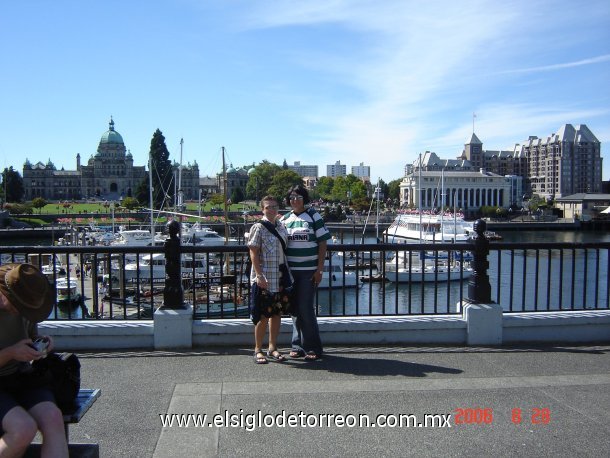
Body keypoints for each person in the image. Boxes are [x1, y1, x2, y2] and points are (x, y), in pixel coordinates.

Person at [0, 263, 68, 457]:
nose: (21, 310)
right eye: (18, 305)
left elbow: (28, 338)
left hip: (20, 376)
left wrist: (40, 344)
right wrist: (10, 353)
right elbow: (13, 349)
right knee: (23, 429)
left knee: (53, 418)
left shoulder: (26, 307)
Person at [280, 185, 331, 361]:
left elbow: (323, 243)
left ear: (304, 199)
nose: (295, 200)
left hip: (308, 271)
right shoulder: (285, 219)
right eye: (292, 197)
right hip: (290, 272)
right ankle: (297, 345)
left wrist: (320, 269)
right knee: (294, 309)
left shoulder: (313, 216)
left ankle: (313, 347)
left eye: (299, 197)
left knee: (305, 308)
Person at [247, 196, 291, 364]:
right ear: (262, 210)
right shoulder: (258, 227)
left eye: (274, 206)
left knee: (277, 314)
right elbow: (253, 252)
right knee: (262, 315)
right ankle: (258, 349)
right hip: (264, 277)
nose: (272, 210)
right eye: (268, 207)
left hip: (280, 276)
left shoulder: (281, 226)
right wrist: (258, 275)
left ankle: (272, 347)